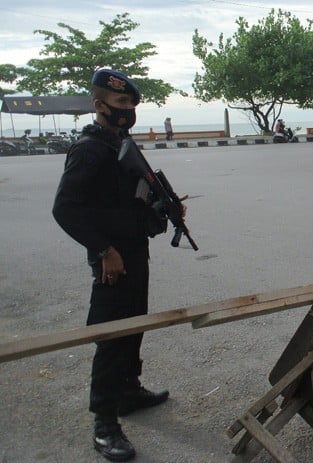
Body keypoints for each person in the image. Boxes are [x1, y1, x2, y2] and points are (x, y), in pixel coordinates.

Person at [53, 69, 180, 461]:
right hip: (113, 260)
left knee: (135, 324)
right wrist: (104, 250)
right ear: (99, 105)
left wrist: (166, 207)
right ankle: (105, 423)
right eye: (121, 103)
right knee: (112, 337)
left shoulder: (120, 143)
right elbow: (65, 209)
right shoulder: (89, 150)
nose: (128, 111)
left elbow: (132, 198)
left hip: (134, 251)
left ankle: (128, 391)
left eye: (131, 104)